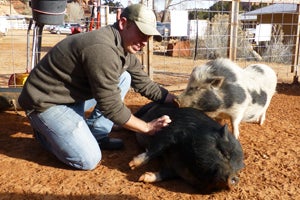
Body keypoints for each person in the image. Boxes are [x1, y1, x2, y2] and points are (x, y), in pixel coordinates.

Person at [18, 4, 176, 170]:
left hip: (70, 95)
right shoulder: (102, 49)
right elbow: (111, 107)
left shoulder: (124, 47)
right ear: (123, 23)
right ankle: (45, 134)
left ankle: (97, 134)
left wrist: (176, 100)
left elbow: (144, 83)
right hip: (46, 102)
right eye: (142, 33)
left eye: (149, 36)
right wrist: (147, 127)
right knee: (88, 160)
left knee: (124, 77)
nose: (145, 41)